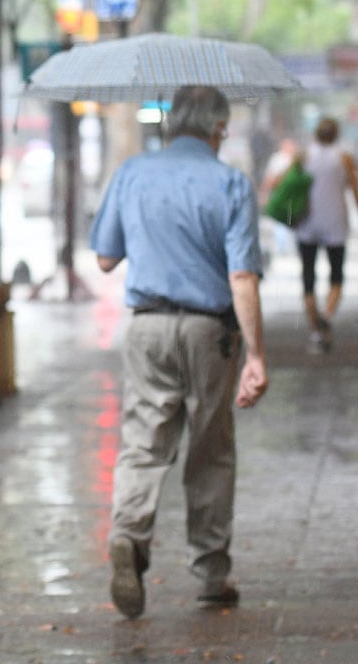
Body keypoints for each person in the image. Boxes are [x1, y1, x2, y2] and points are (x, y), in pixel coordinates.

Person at [89, 86, 268, 620]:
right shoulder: (231, 183)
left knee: (144, 442)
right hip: (208, 331)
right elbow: (241, 276)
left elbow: (103, 258)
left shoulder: (131, 173)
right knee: (210, 446)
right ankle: (211, 573)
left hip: (146, 326)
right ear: (218, 129)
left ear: (169, 127)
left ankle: (129, 534)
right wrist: (256, 354)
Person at [292, 117, 358, 354]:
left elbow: (288, 187)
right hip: (336, 223)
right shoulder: (344, 158)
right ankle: (326, 316)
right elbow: (357, 193)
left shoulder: (303, 156)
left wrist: (288, 218)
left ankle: (316, 331)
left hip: (307, 224)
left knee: (308, 277)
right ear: (336, 134)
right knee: (336, 276)